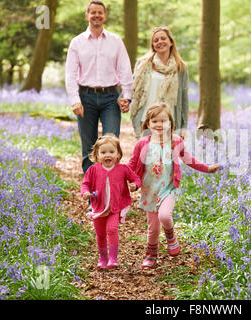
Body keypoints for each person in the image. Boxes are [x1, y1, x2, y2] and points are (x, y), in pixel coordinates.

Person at [127, 103, 220, 269]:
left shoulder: (176, 142)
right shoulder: (142, 144)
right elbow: (133, 164)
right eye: (154, 121)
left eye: (163, 121)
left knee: (164, 216)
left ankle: (170, 236)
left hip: (168, 189)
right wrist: (130, 181)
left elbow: (189, 159)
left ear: (170, 123)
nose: (159, 124)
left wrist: (207, 168)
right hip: (149, 191)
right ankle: (151, 254)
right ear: (148, 124)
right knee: (153, 228)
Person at [65, 0, 133, 174]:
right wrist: (75, 100)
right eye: (93, 12)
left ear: (105, 16)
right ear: (87, 15)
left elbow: (125, 70)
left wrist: (126, 96)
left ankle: (111, 192)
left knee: (111, 144)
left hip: (111, 97)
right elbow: (70, 75)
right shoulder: (77, 42)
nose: (96, 15)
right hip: (85, 97)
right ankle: (92, 196)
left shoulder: (116, 41)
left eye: (100, 12)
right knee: (89, 147)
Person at [81, 134, 141, 269]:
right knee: (100, 234)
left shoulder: (123, 169)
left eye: (111, 152)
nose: (108, 155)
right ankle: (103, 258)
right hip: (99, 207)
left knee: (112, 229)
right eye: (103, 152)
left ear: (118, 154)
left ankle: (113, 259)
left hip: (115, 207)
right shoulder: (93, 170)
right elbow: (85, 184)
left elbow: (136, 179)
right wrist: (85, 192)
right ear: (97, 155)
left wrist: (134, 186)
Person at [129, 26, 189, 139]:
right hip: (145, 121)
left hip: (170, 122)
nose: (160, 42)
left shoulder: (181, 67)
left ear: (171, 42)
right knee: (146, 155)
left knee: (167, 155)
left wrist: (184, 127)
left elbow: (184, 98)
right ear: (153, 46)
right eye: (156, 40)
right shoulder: (143, 64)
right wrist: (124, 99)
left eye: (163, 38)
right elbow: (132, 86)